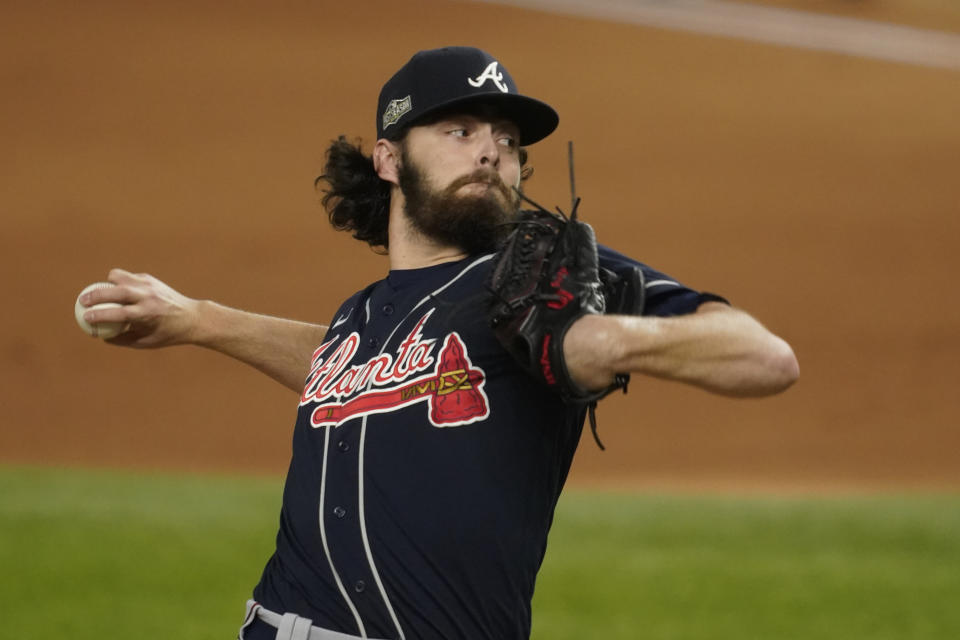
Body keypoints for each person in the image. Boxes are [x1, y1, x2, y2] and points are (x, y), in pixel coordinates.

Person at [80, 46, 798, 640]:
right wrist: (198, 320)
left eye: (508, 141)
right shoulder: (360, 315)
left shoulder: (544, 278)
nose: (491, 151)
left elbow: (765, 358)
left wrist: (605, 339)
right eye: (460, 131)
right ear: (388, 160)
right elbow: (355, 368)